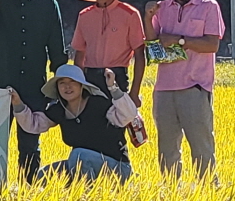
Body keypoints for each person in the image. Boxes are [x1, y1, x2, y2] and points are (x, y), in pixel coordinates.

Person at [0, 0, 67, 182]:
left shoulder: (48, 4)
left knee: (30, 144)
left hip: (33, 85)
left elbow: (57, 49)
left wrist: (60, 85)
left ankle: (28, 195)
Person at [143, 0, 224, 181]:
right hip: (164, 89)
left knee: (202, 148)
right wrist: (148, 19)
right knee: (167, 151)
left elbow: (212, 45)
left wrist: (179, 40)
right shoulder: (161, 8)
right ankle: (172, 199)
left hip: (195, 87)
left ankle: (209, 195)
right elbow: (152, 45)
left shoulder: (209, 6)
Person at [9, 65, 143, 182]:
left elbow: (128, 115)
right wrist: (17, 103)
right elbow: (33, 125)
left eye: (72, 82)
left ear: (81, 85)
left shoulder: (98, 103)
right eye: (62, 83)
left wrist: (113, 87)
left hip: (117, 167)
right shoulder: (59, 110)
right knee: (43, 176)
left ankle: (89, 198)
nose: (67, 86)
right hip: (82, 164)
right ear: (57, 87)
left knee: (79, 155)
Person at [68, 0, 146, 105]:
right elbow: (79, 54)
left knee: (117, 124)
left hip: (118, 76)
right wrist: (79, 86)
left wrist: (134, 92)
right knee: (92, 124)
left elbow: (140, 54)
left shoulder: (130, 14)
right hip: (90, 78)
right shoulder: (84, 16)